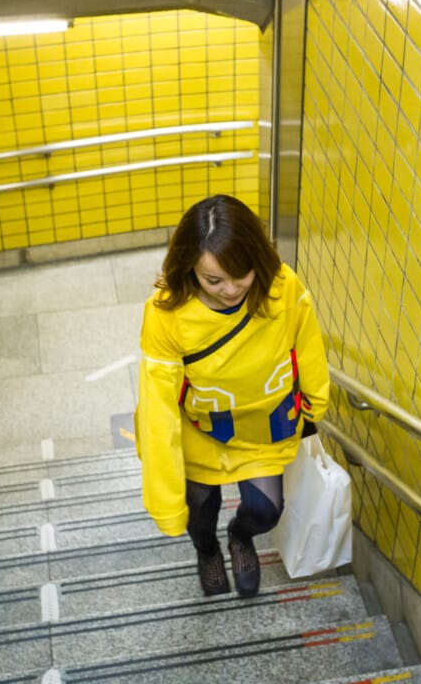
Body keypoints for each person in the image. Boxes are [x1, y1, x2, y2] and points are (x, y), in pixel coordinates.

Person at [134, 194, 330, 598]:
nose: (231, 289)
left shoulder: (281, 286)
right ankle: (207, 551)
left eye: (240, 275)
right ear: (190, 268)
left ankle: (240, 537)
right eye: (213, 280)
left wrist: (315, 399)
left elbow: (306, 342)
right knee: (199, 513)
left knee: (266, 511)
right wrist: (164, 497)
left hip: (263, 427)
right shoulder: (166, 313)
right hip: (201, 431)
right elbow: (156, 408)